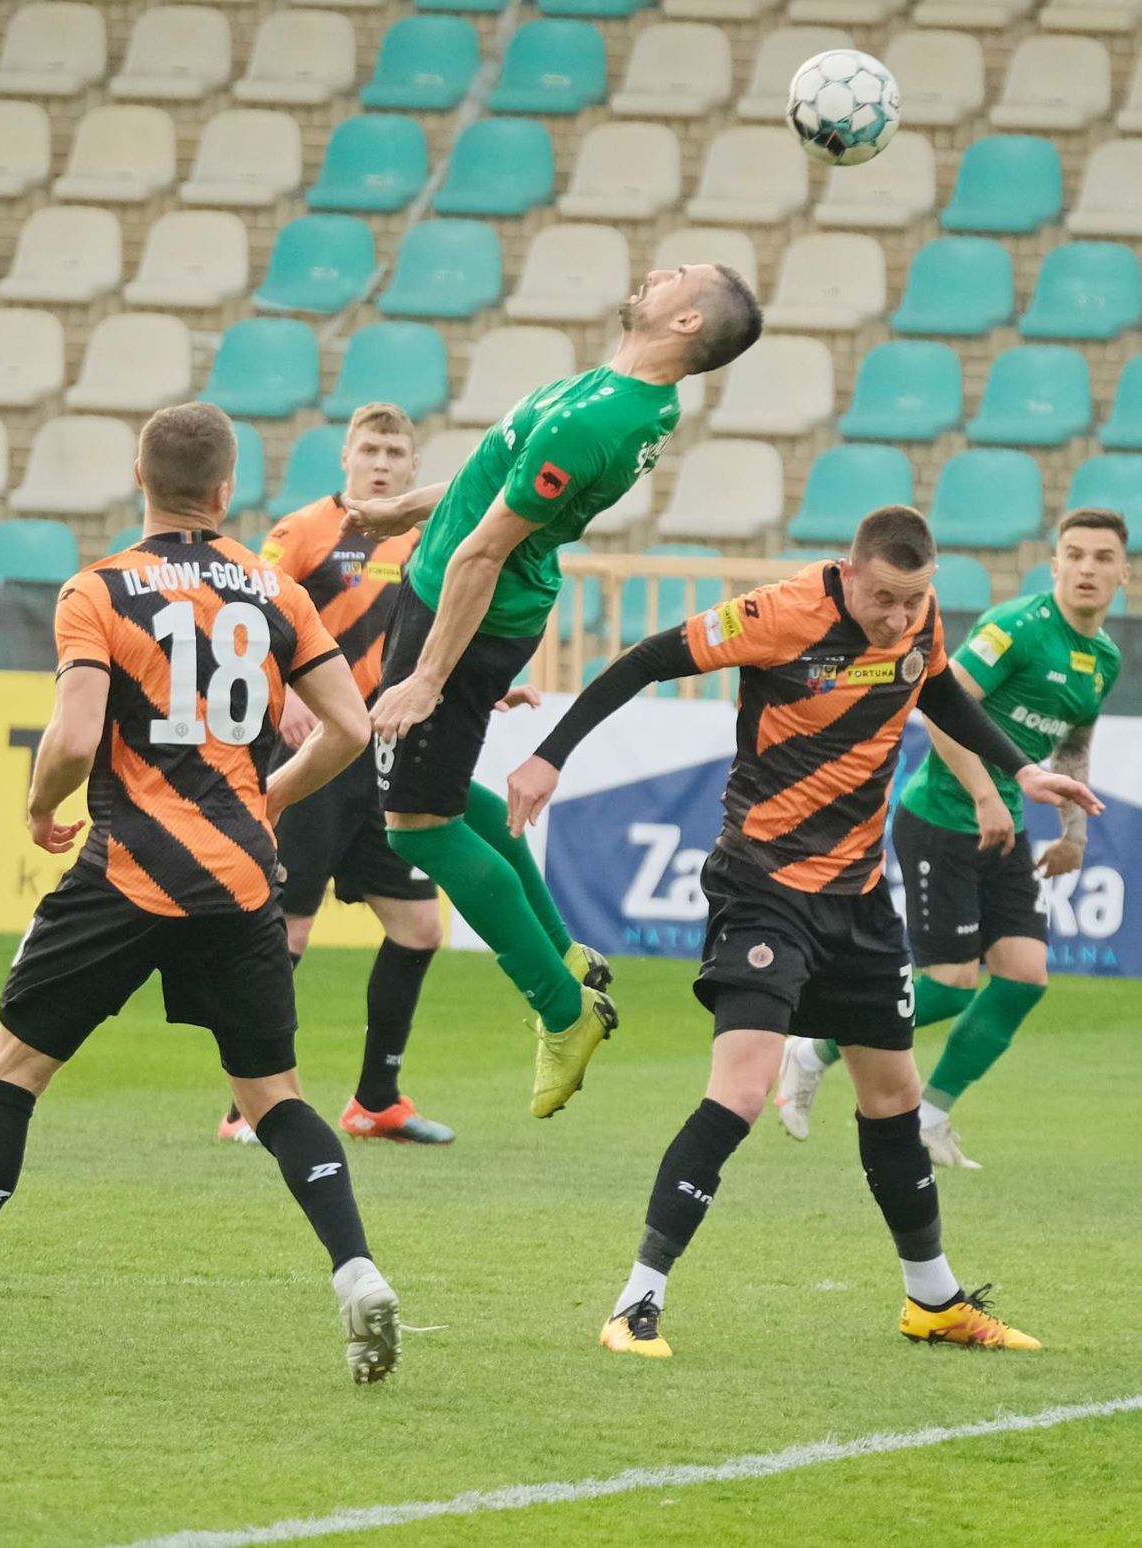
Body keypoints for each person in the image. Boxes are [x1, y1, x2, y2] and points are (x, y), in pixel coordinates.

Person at [505, 508, 1101, 1357]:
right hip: (764, 887)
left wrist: (1023, 769)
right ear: (849, 572)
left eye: (915, 600)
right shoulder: (779, 613)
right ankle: (635, 1303)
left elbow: (937, 688)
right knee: (742, 1091)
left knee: (893, 1095)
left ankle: (931, 1301)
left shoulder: (917, 621)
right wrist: (550, 754)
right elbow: (645, 660)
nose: (900, 618)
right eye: (886, 598)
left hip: (857, 899)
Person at [0, 403, 401, 1384]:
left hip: (126, 873)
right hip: (243, 880)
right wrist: (266, 797)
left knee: (11, 1073)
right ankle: (356, 1271)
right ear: (225, 489)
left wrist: (42, 808)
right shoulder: (272, 587)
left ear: (139, 476)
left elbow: (75, 742)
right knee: (273, 1097)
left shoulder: (101, 589)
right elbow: (345, 726)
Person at [342, 264, 764, 1120]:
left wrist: (430, 679)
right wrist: (408, 511)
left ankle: (561, 1009)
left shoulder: (600, 419)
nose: (656, 271)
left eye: (676, 276)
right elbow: (494, 478)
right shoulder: (621, 392)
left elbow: (484, 550)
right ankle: (567, 956)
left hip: (460, 614)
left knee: (416, 832)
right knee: (444, 800)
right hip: (469, 606)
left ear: (686, 321)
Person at [776, 509, 1127, 1166]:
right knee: (953, 981)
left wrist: (1073, 834)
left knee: (1023, 978)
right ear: (1053, 565)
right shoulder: (1014, 629)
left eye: (1101, 558)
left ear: (1122, 574)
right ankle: (812, 1048)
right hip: (942, 817)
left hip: (1006, 829)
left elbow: (1074, 745)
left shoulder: (1102, 657)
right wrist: (986, 792)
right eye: (1074, 554)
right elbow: (937, 707)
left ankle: (929, 1116)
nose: (1086, 568)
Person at [217, 402, 451, 1147]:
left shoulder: (424, 536)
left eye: (395, 453)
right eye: (370, 450)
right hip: (313, 756)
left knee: (418, 928)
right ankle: (245, 1108)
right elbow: (246, 616)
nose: (381, 463)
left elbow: (431, 632)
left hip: (382, 759)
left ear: (412, 469)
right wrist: (281, 694)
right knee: (286, 933)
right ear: (345, 459)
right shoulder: (303, 531)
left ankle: (375, 1101)